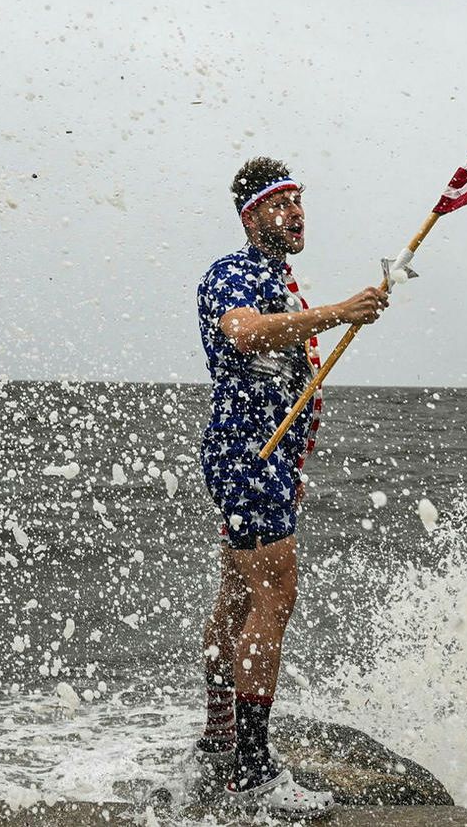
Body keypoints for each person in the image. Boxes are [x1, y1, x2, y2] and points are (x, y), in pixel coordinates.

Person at [192, 157, 388, 817]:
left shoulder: (279, 279)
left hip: (265, 461)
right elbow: (243, 333)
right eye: (281, 204)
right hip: (247, 456)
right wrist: (340, 312)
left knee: (239, 592)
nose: (296, 213)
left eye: (299, 201)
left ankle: (220, 735)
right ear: (252, 218)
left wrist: (295, 463)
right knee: (274, 598)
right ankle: (251, 771)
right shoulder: (234, 273)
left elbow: (291, 380)